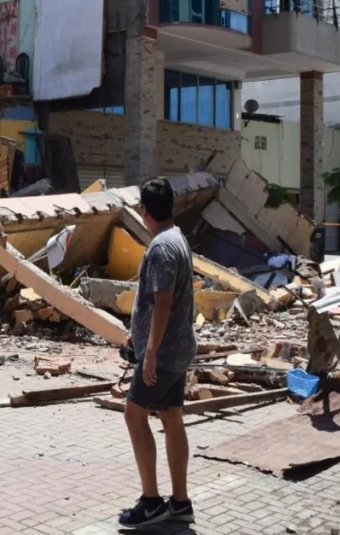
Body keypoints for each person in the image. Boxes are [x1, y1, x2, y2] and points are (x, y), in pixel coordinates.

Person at [119, 178, 196, 528]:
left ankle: (151, 501)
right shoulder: (177, 238)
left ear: (145, 211)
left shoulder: (162, 247)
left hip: (163, 354)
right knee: (170, 416)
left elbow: (163, 301)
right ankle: (180, 502)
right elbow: (159, 302)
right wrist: (137, 336)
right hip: (177, 348)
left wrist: (149, 352)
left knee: (134, 415)